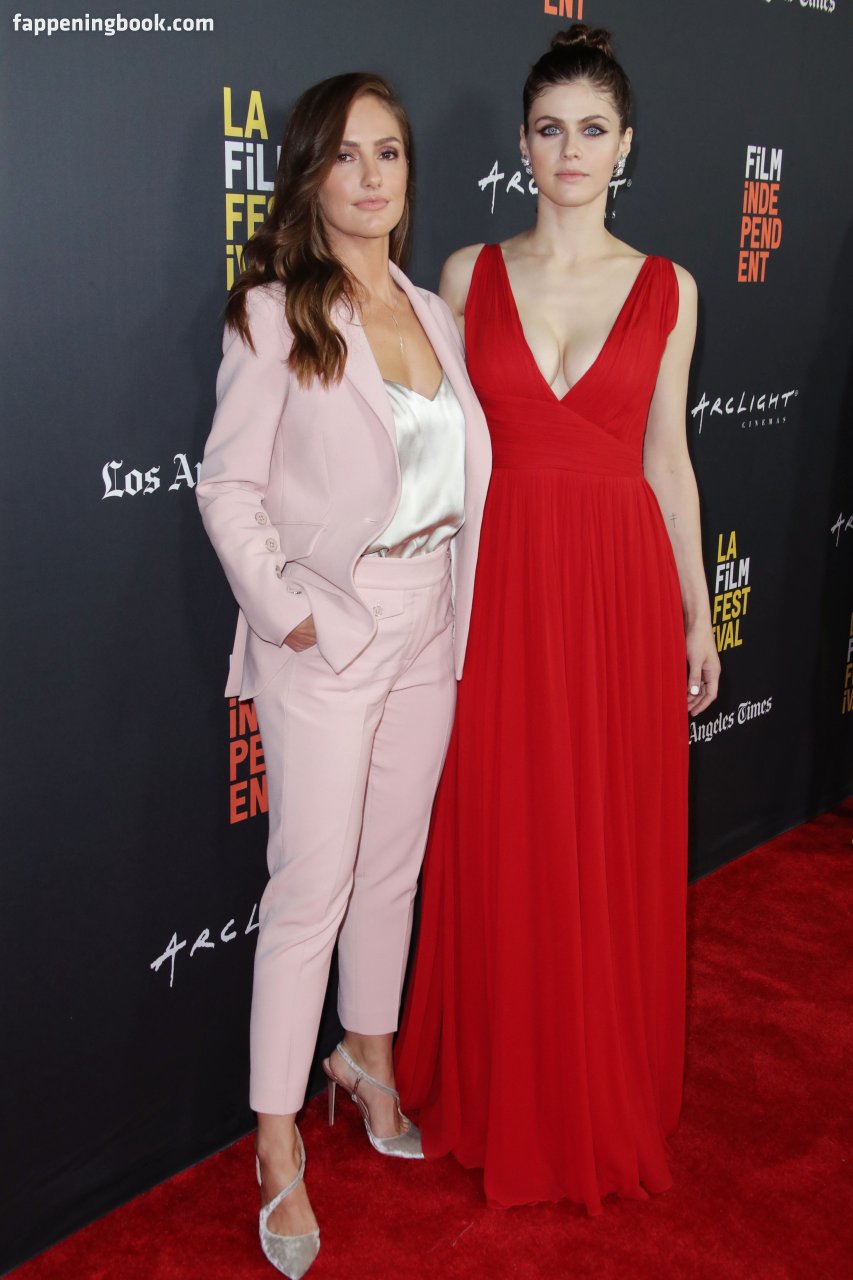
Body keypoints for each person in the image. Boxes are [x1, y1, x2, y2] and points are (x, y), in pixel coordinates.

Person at [395, 25, 720, 1214]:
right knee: (508, 825)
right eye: (549, 129)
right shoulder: (465, 277)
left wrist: (696, 614)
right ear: (521, 144)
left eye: (592, 130)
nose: (569, 151)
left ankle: (593, 1077)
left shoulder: (669, 287)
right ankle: (504, 1076)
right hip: (501, 586)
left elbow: (667, 458)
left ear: (625, 145)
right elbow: (431, 459)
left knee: (602, 833)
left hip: (620, 592)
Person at [197, 73, 490, 1277]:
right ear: (310, 176)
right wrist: (294, 616)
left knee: (390, 865)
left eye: (391, 153)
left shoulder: (431, 308)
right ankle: (275, 1136)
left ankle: (365, 1052)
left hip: (431, 619)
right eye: (348, 156)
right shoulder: (274, 313)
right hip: (332, 627)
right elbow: (227, 485)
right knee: (309, 884)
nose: (373, 177)